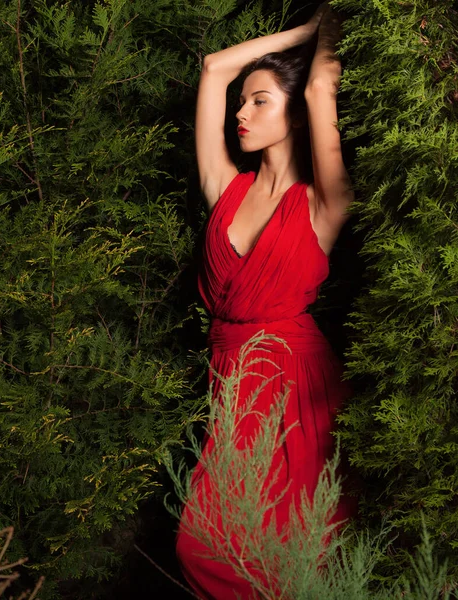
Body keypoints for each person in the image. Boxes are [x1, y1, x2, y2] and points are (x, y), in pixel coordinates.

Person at [175, 2, 358, 598]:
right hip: (231, 378)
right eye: (242, 102)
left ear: (297, 116)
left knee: (297, 548)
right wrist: (303, 33)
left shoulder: (322, 204)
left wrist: (324, 34)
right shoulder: (225, 186)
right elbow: (212, 68)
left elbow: (320, 89)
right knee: (206, 544)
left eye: (260, 102)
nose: (241, 114)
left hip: (298, 385)